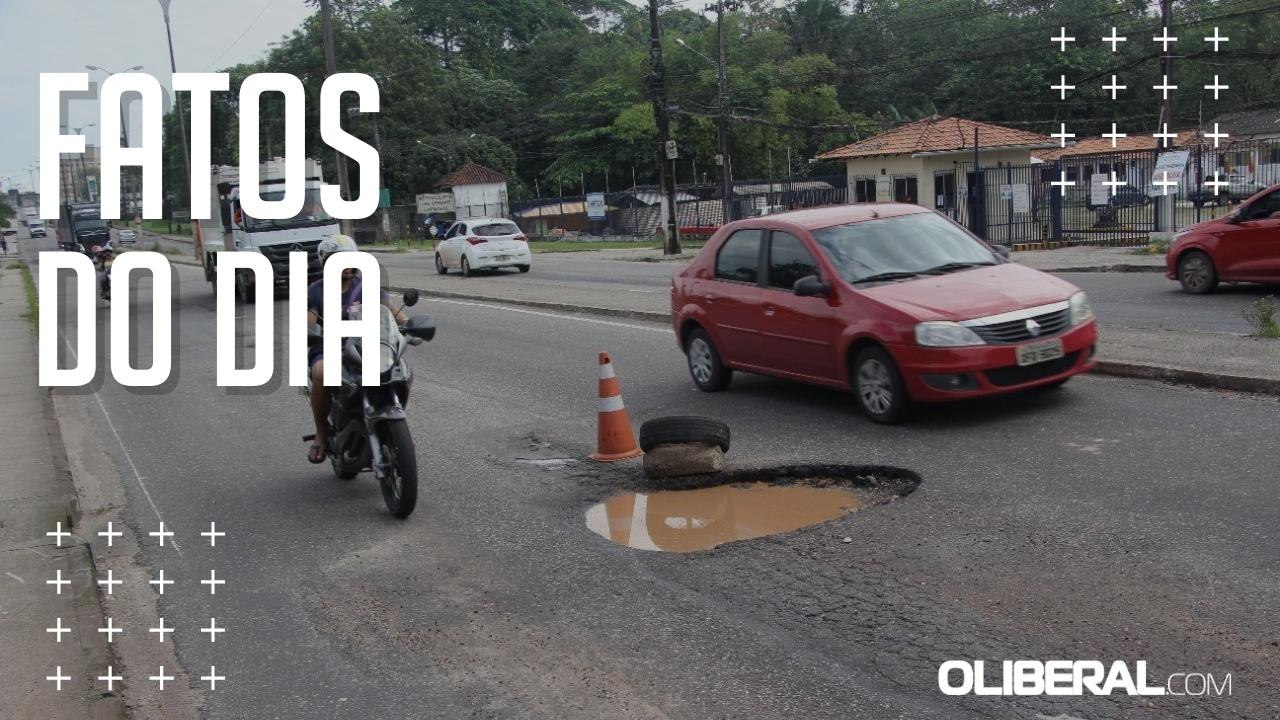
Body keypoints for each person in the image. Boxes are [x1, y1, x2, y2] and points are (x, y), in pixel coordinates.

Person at [306, 234, 407, 464]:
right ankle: (321, 435)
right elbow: (309, 321)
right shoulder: (315, 291)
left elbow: (391, 310)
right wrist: (312, 330)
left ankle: (390, 417)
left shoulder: (366, 287)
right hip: (329, 348)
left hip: (366, 345)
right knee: (322, 373)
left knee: (400, 369)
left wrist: (410, 325)